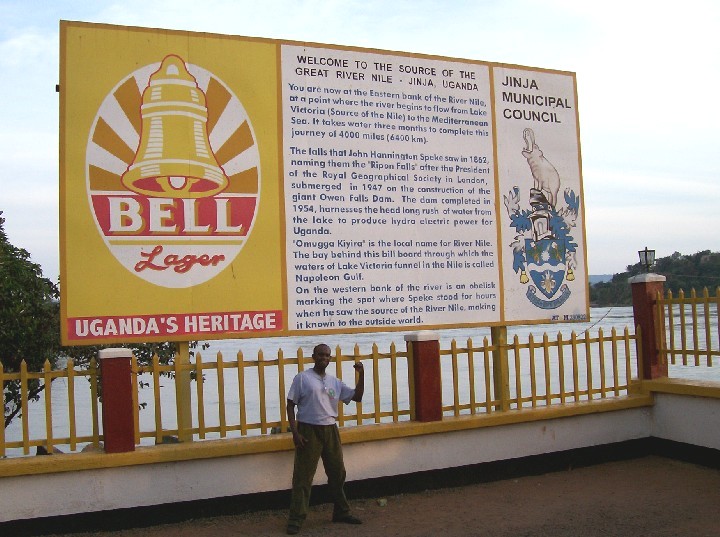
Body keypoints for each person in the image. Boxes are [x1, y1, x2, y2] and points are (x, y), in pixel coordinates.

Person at [286, 343, 365, 535]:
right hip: (308, 429)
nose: (324, 358)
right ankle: (296, 519)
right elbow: (290, 405)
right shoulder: (302, 378)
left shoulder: (334, 382)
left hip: (330, 430)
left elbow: (357, 397)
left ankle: (341, 512)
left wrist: (362, 374)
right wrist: (295, 433)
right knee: (303, 477)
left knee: (338, 473)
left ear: (330, 359)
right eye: (320, 354)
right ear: (314, 357)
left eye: (327, 355)